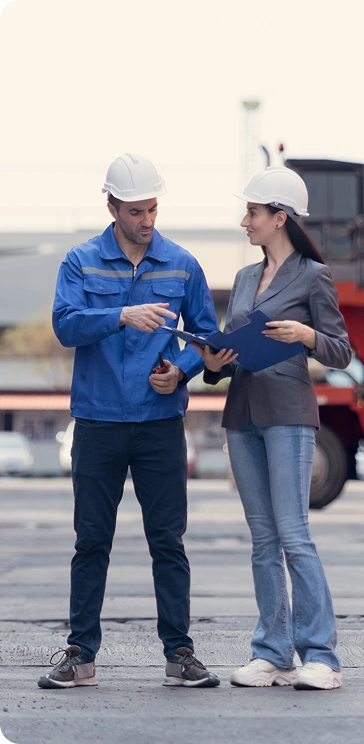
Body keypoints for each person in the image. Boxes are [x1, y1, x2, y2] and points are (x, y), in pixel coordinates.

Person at [39, 153, 220, 690]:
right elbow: (66, 327)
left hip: (160, 423)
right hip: (97, 422)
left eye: (153, 209)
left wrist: (181, 371)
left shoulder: (182, 264)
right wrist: (120, 314)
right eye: (137, 211)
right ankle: (81, 654)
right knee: (91, 540)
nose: (148, 220)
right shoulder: (80, 262)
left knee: (168, 541)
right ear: (113, 206)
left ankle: (179, 653)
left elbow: (206, 338)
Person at [199, 166, 352, 691]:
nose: (245, 221)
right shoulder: (244, 278)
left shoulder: (313, 275)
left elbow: (340, 350)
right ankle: (273, 651)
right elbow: (226, 357)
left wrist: (307, 333)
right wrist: (213, 359)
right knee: (263, 539)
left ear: (279, 217)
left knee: (294, 535)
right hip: (242, 413)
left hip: (288, 413)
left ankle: (322, 656)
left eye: (253, 213)